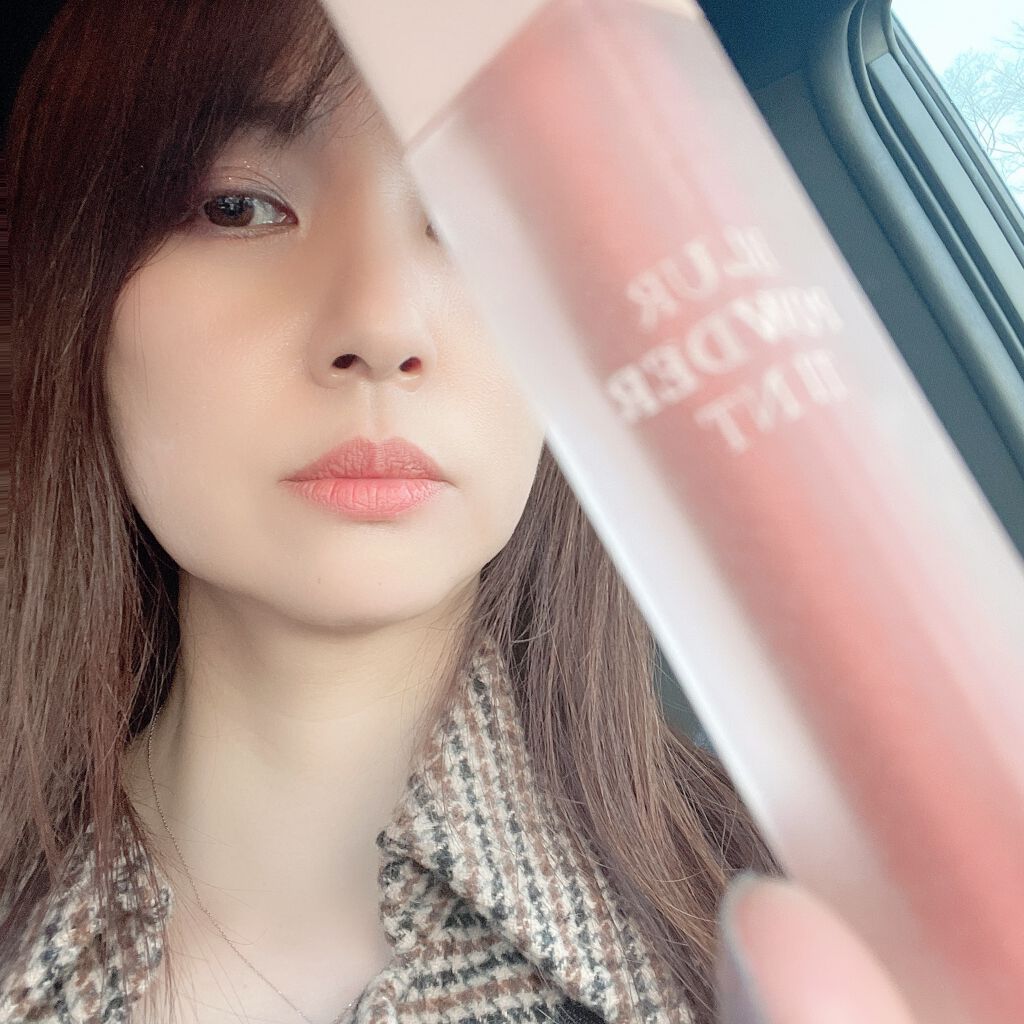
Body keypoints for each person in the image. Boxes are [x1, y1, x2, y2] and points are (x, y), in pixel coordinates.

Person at [0, 1, 921, 1023]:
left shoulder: (837, 929)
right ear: (78, 303)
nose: (380, 321)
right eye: (239, 205)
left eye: (479, 210)